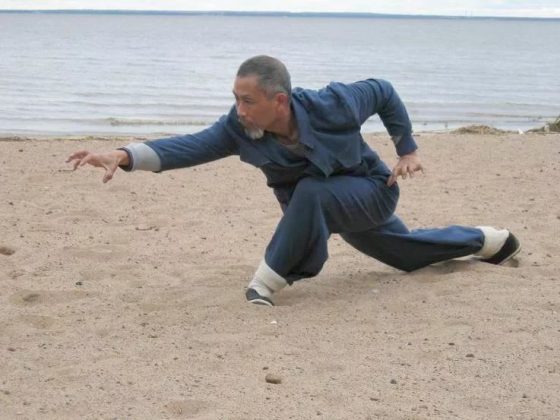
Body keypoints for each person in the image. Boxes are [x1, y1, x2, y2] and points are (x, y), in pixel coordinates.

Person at [67, 55, 521, 307]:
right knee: (405, 256)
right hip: (325, 212)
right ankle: (490, 241)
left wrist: (407, 149)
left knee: (312, 191)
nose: (240, 110)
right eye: (235, 99)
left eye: (248, 101)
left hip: (371, 191)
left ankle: (268, 280)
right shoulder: (238, 129)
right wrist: (123, 155)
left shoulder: (333, 104)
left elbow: (383, 90)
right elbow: (189, 146)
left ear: (280, 101)